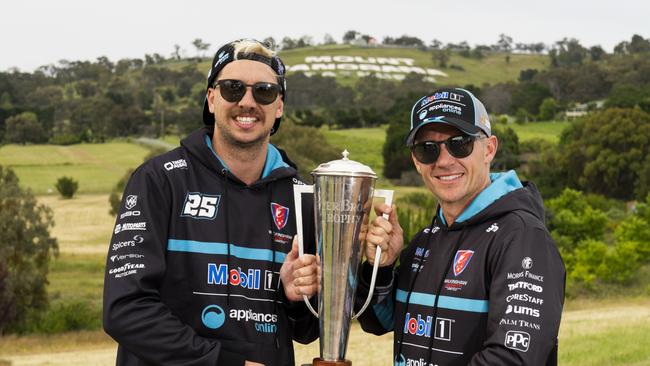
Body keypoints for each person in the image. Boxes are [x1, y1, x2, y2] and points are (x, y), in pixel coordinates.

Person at [103, 39, 319, 366]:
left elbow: (307, 329)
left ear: (279, 107)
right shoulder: (159, 180)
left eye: (263, 91)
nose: (247, 102)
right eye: (232, 89)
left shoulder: (303, 198)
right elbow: (125, 309)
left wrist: (296, 298)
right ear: (211, 98)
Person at [356, 88, 565, 365]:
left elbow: (513, 358)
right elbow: (378, 321)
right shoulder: (425, 240)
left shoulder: (522, 237)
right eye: (427, 149)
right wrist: (381, 267)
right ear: (416, 162)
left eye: (460, 143)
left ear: (489, 149)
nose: (443, 161)